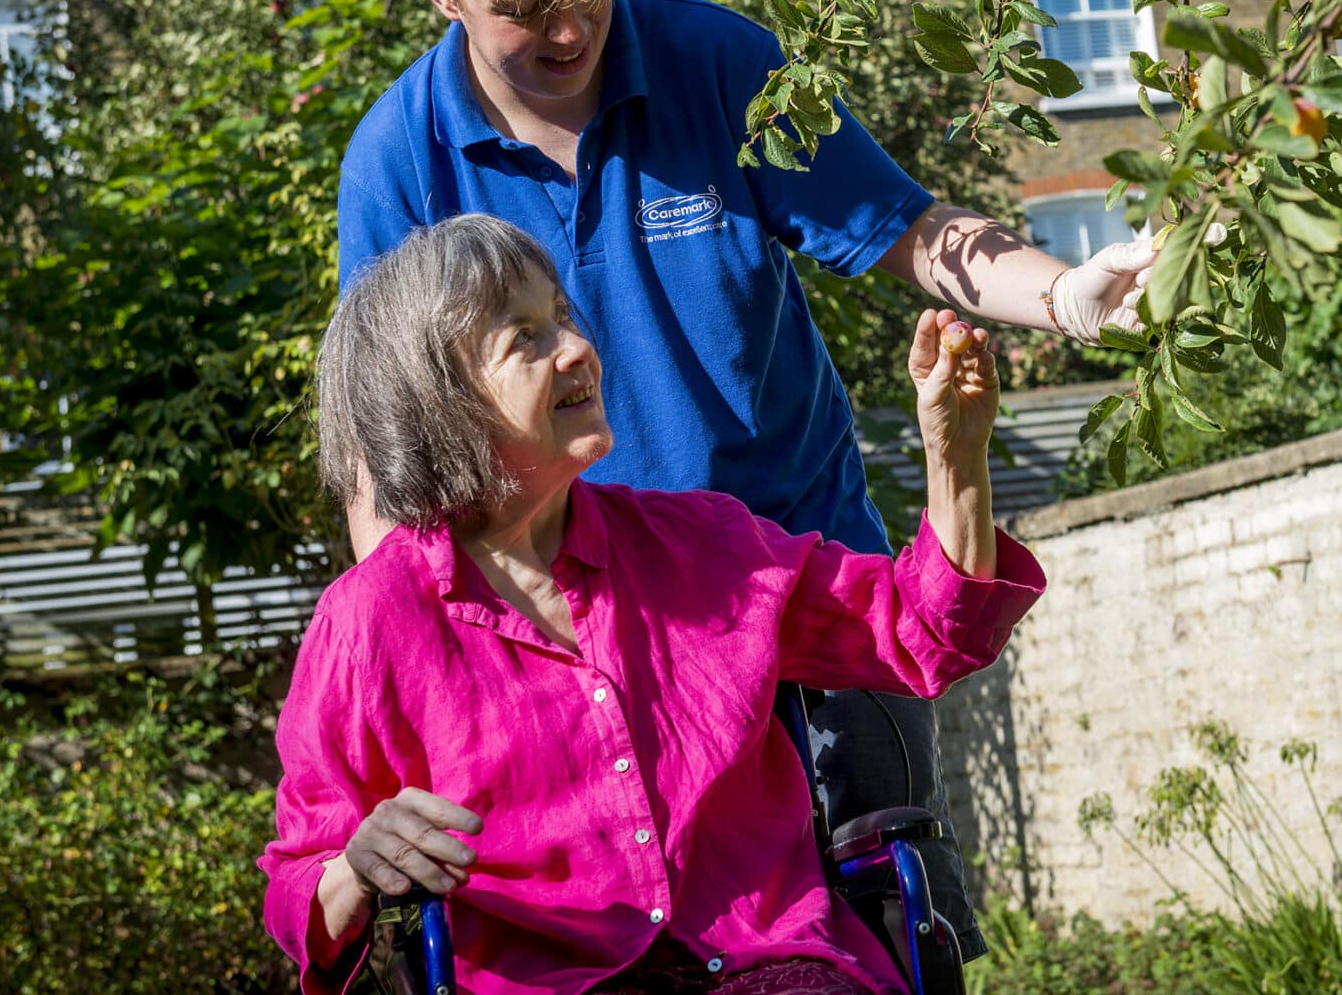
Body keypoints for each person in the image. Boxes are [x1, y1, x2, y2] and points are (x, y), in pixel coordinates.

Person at [336, 0, 1151, 961]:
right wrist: (420, 662)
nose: (571, 29)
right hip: (587, 648)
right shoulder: (396, 161)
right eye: (525, 9)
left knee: (881, 931)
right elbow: (389, 458)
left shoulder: (718, 66)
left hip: (811, 592)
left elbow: (906, 228)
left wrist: (1069, 294)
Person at [260, 214, 1045, 995]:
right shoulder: (371, 620)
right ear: (439, 406)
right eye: (523, 338)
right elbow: (300, 883)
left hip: (768, 969)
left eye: (563, 316)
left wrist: (955, 456)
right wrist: (355, 868)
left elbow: (922, 630)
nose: (575, 349)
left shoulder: (700, 545)